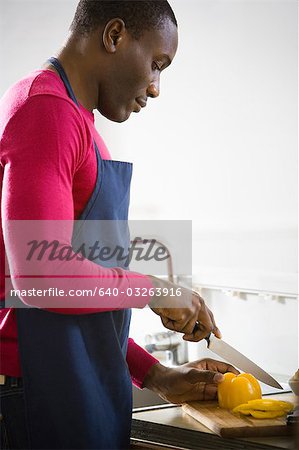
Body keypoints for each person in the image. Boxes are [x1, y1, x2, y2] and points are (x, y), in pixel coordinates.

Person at [0, 1, 238, 449]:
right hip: (32, 394)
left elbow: (81, 295)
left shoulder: (81, 127)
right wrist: (154, 289)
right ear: (114, 36)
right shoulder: (45, 111)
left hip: (69, 386)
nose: (156, 87)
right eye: (157, 64)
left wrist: (155, 373)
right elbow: (41, 277)